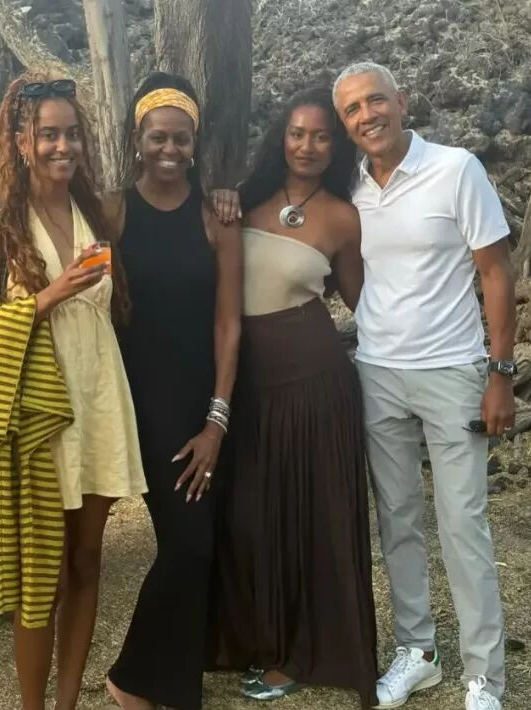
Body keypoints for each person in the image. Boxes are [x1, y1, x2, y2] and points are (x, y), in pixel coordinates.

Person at [0, 71, 147, 710]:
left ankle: (67, 703)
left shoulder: (99, 214)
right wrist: (49, 295)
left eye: (72, 134)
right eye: (48, 135)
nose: (63, 146)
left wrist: (229, 194)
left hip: (98, 403)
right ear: (20, 142)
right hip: (40, 420)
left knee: (87, 561)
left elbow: (163, 185)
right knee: (43, 576)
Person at [332, 62, 514, 710]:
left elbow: (495, 273)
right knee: (397, 519)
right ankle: (419, 652)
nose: (367, 116)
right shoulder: (349, 184)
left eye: (375, 100)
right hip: (378, 372)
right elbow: (351, 268)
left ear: (401, 101)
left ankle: (483, 676)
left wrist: (499, 374)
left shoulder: (455, 169)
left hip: (453, 373)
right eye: (352, 109)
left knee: (462, 525)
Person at [210, 87, 377, 708]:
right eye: (297, 133)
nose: (307, 146)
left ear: (336, 146)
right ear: (281, 136)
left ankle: (296, 654)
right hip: (245, 386)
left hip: (314, 385)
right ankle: (252, 638)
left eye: (322, 136)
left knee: (308, 518)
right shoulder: (240, 199)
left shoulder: (343, 217)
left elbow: (366, 304)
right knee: (248, 519)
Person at [103, 72, 242, 710]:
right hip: (140, 404)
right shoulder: (112, 210)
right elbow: (43, 216)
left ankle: (176, 688)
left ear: (194, 143)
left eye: (181, 139)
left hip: (203, 403)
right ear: (138, 139)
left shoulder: (217, 217)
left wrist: (217, 419)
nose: (169, 149)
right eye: (158, 136)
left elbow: (228, 323)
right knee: (189, 544)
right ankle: (131, 680)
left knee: (199, 545)